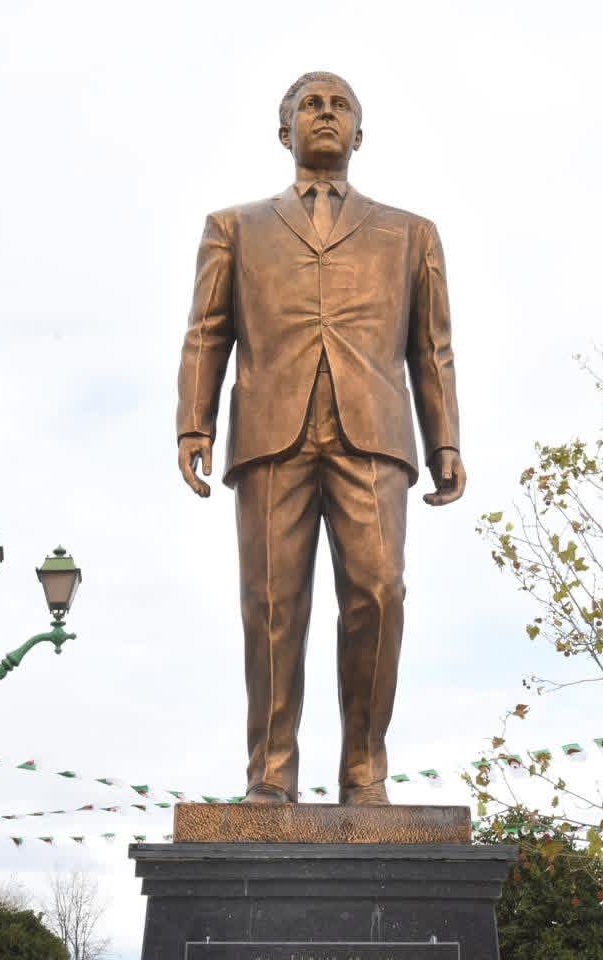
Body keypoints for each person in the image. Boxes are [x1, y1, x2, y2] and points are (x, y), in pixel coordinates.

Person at [175, 71, 465, 805]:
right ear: (286, 132)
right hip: (271, 432)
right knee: (272, 605)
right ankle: (271, 774)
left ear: (360, 133)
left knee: (380, 592)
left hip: (374, 432)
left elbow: (432, 348)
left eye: (340, 106)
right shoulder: (233, 226)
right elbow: (207, 331)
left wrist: (445, 443)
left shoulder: (411, 233)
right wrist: (194, 422)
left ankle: (364, 770)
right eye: (311, 105)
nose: (326, 114)